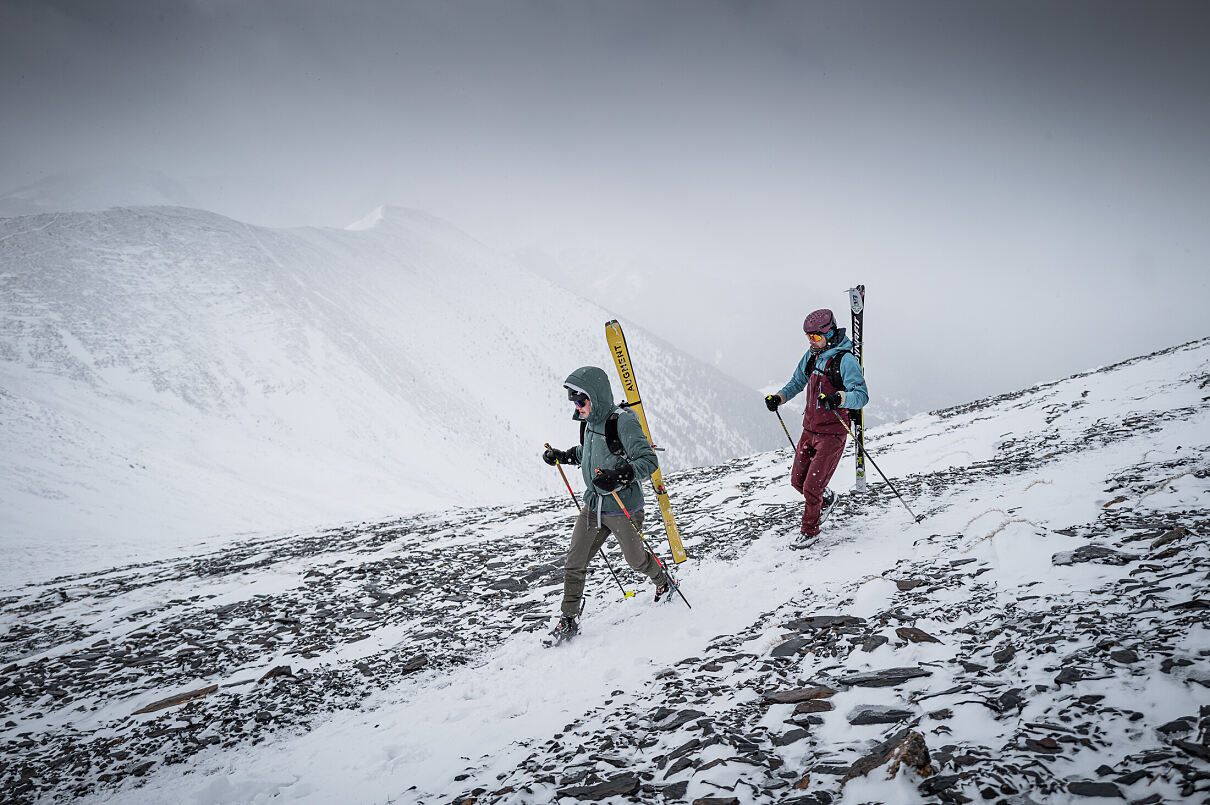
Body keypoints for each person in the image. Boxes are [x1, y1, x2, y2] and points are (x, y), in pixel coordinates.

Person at [542, 365, 674, 642]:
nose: (577, 407)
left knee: (636, 560)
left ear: (596, 396)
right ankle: (568, 618)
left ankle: (663, 582)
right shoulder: (588, 422)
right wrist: (564, 456)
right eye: (573, 402)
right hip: (593, 505)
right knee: (574, 562)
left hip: (623, 506)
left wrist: (620, 476)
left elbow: (648, 461)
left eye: (580, 400)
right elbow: (589, 453)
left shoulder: (622, 422)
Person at [764, 308, 869, 539]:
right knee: (797, 481)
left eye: (816, 337)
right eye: (809, 337)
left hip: (833, 433)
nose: (812, 341)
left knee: (812, 488)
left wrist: (839, 398)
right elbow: (797, 382)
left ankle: (809, 531)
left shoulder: (845, 360)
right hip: (809, 429)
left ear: (829, 333)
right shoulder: (812, 356)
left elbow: (861, 396)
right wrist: (779, 398)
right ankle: (827, 499)